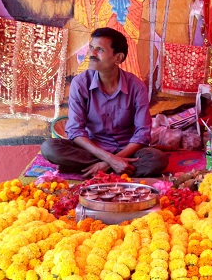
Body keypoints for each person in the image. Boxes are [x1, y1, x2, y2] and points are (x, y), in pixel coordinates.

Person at [41, 27, 168, 178]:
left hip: (125, 148)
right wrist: (109, 159)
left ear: (118, 58)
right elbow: (75, 130)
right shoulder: (80, 83)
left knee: (157, 159)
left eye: (99, 49)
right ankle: (118, 169)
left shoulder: (136, 86)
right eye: (91, 47)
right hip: (92, 148)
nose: (91, 54)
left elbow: (142, 134)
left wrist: (110, 161)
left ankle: (96, 169)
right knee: (49, 147)